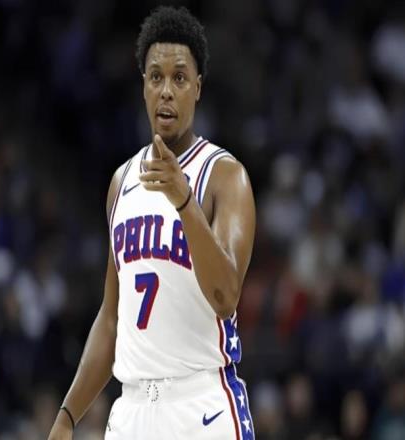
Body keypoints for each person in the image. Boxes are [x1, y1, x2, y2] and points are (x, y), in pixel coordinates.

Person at [48, 6, 256, 439]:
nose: (166, 91)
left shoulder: (224, 176)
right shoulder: (121, 182)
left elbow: (226, 297)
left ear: (197, 88)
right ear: (143, 86)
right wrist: (67, 416)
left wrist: (184, 201)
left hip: (202, 406)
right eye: (156, 77)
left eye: (179, 78)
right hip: (133, 411)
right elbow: (111, 318)